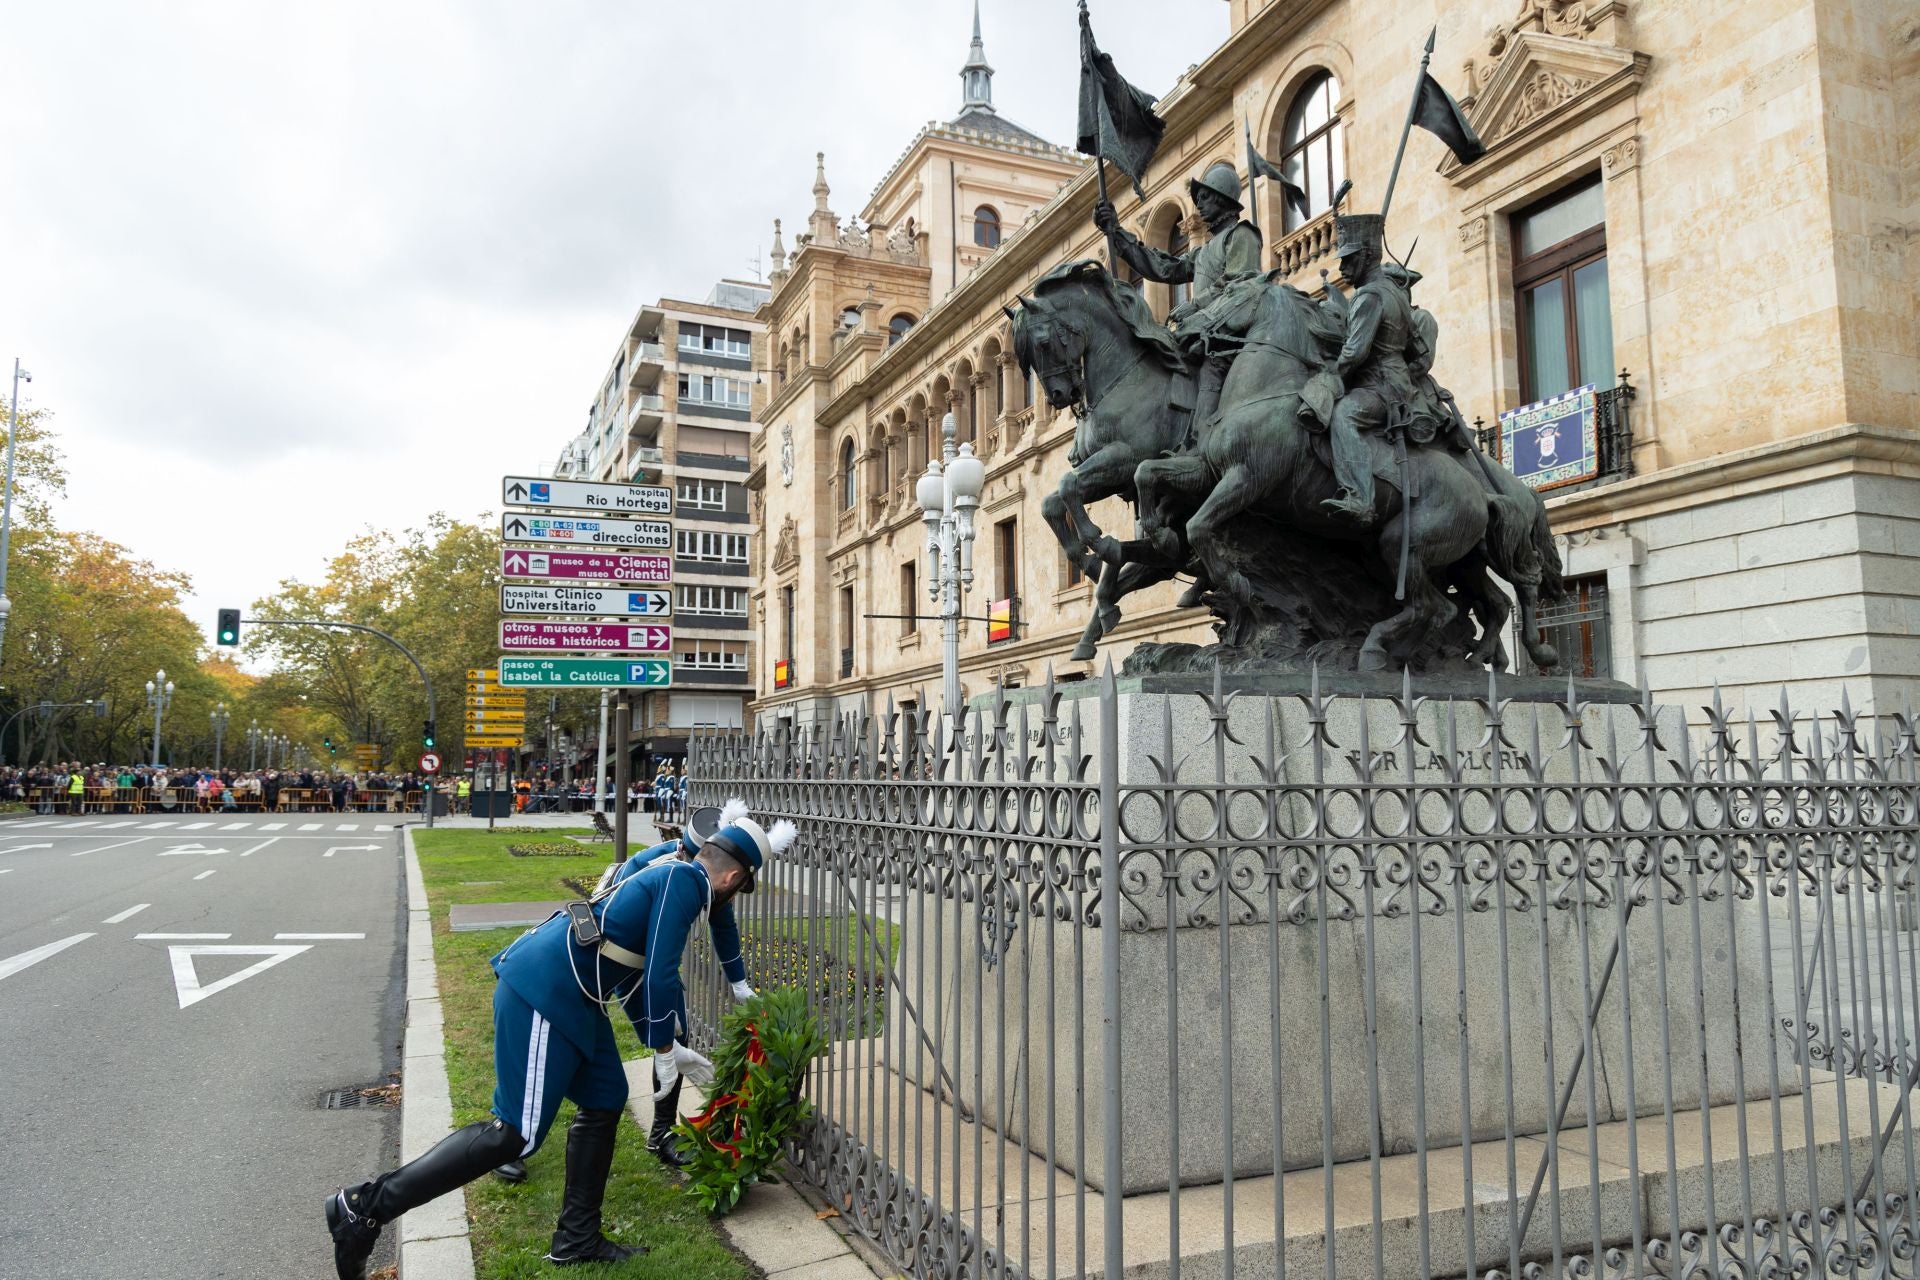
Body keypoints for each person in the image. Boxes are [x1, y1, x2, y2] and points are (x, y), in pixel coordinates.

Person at [324, 803, 795, 1277]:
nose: (733, 899)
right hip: (547, 989)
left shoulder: (676, 868)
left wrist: (670, 1035)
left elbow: (636, 972)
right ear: (733, 876)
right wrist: (664, 1046)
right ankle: (364, 1208)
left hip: (572, 992)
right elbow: (660, 971)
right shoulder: (687, 882)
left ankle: (577, 1239)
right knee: (515, 1133)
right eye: (740, 887)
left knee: (607, 1098)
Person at [1092, 160, 1263, 439]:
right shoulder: (1204, 250)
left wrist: (1195, 305)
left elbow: (1239, 284)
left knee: (1210, 371)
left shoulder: (1241, 235)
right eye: (1198, 199)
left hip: (1229, 337)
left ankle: (1202, 440)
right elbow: (1164, 267)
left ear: (1223, 197)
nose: (1200, 204)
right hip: (1205, 331)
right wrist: (1117, 232)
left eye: (1205, 197)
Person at [1319, 212, 1417, 525]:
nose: (1342, 268)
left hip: (1382, 386)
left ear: (1369, 256)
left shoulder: (1369, 296)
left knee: (1342, 415)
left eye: (1349, 260)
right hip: (1397, 381)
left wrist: (1330, 379)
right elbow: (1418, 349)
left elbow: (1354, 353)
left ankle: (1360, 497)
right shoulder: (1397, 294)